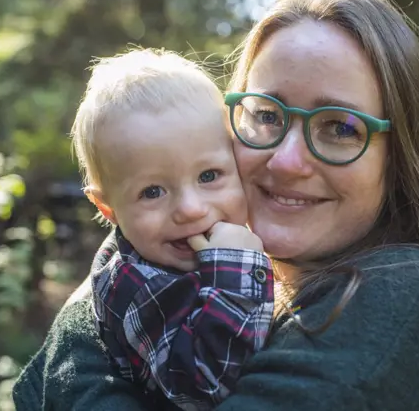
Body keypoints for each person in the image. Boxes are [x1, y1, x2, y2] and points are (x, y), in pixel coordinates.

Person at [12, 0, 419, 411]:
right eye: (266, 114)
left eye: (339, 128)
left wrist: (80, 324)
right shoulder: (209, 280)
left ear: (399, 157)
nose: (286, 161)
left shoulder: (415, 297)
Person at [68, 49, 274, 410]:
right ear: (107, 209)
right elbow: (203, 386)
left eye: (209, 175)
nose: (191, 209)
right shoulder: (137, 285)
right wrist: (238, 266)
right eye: (152, 192)